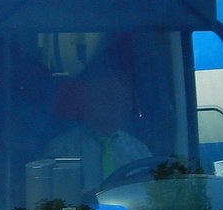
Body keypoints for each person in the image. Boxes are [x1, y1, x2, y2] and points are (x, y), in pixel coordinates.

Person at [43, 65, 151, 195]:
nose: (115, 106)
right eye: (106, 98)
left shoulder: (140, 152)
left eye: (121, 99)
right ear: (87, 102)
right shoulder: (60, 149)